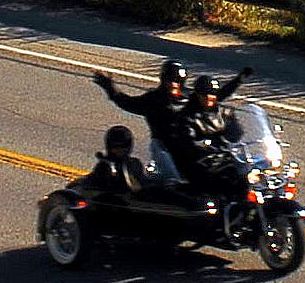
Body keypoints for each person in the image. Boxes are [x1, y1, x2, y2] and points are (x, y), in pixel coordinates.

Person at [92, 61, 251, 189]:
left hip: (186, 143)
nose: (174, 84)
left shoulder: (188, 97)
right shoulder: (153, 99)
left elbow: (215, 96)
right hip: (162, 146)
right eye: (170, 80)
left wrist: (238, 81)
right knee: (173, 181)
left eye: (178, 81)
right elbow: (128, 103)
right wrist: (111, 90)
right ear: (163, 79)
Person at [88, 124, 151, 195]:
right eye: (115, 147)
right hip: (114, 202)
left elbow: (143, 182)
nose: (120, 150)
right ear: (109, 147)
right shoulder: (104, 166)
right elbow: (93, 186)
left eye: (124, 146)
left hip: (136, 201)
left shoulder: (134, 163)